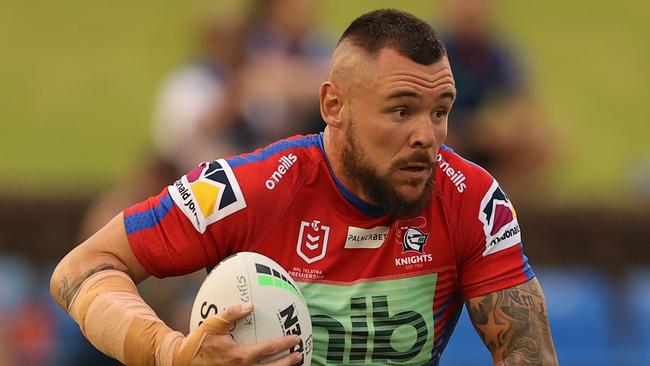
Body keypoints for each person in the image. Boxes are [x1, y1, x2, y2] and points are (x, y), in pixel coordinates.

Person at [50, 9, 558, 366]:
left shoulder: (470, 197)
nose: (427, 137)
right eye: (401, 110)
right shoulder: (252, 189)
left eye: (441, 111)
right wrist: (169, 352)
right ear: (334, 106)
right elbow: (82, 268)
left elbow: (523, 349)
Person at [438, 0, 556, 201]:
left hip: (482, 133)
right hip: (447, 128)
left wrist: (506, 126)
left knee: (541, 143)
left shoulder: (495, 51)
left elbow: (522, 100)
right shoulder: (436, 47)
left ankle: (501, 205)